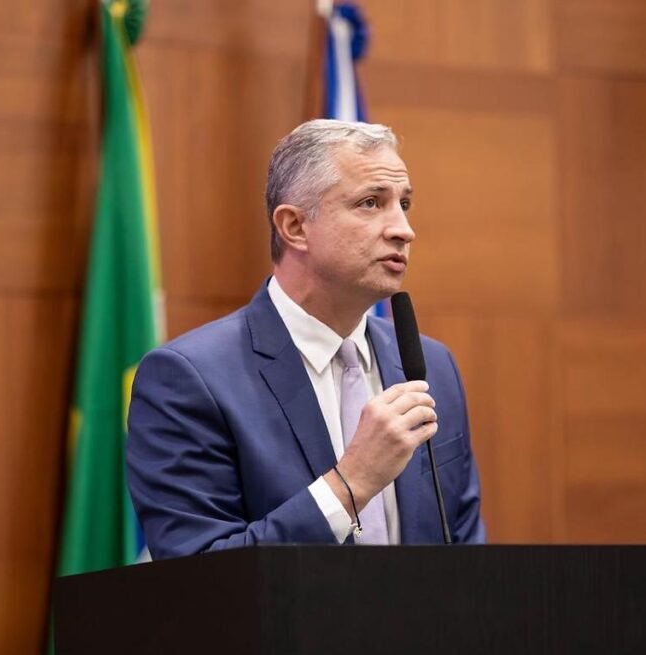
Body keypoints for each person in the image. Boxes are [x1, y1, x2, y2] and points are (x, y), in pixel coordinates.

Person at [126, 119, 485, 560]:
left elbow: (467, 553)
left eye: (404, 203)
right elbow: (200, 571)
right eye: (371, 202)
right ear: (294, 226)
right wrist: (351, 483)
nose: (403, 229)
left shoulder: (433, 366)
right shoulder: (189, 378)